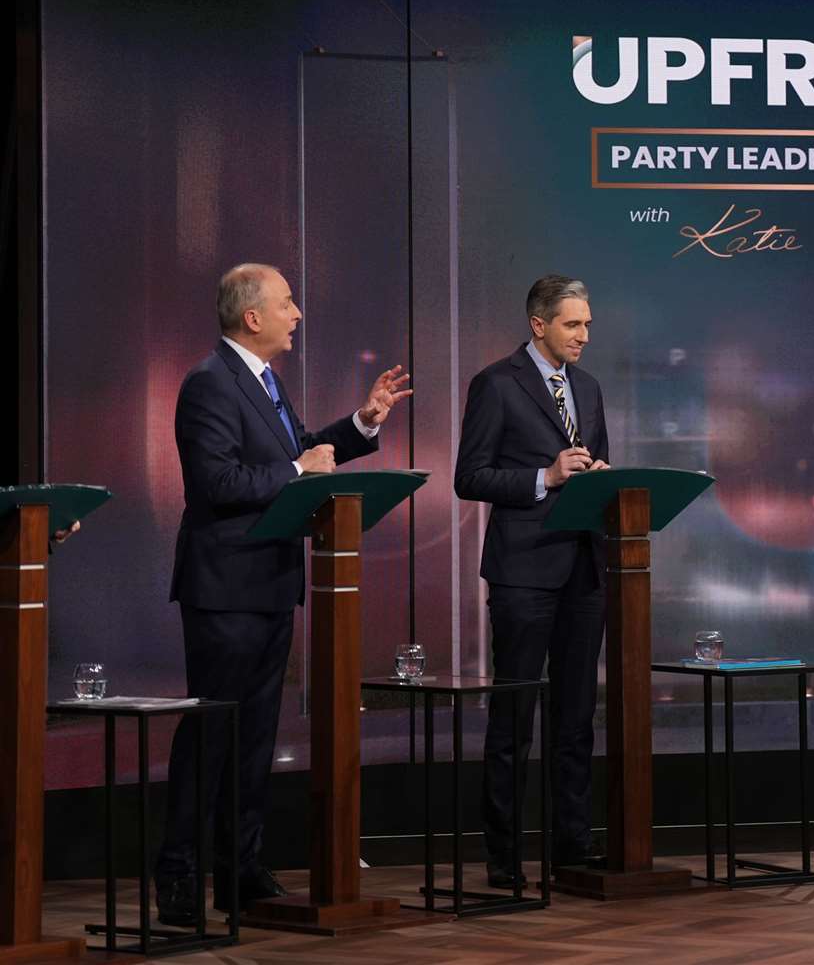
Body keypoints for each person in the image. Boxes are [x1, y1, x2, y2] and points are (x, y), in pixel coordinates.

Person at [156, 263, 411, 925]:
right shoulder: (208, 385)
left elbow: (301, 453)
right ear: (252, 317)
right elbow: (218, 483)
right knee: (213, 734)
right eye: (287, 303)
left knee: (256, 738)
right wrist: (299, 467)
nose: (297, 314)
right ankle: (179, 873)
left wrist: (360, 424)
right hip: (226, 586)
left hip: (271, 584)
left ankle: (240, 871)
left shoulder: (264, 382)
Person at [454, 274, 610, 886]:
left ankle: (571, 845)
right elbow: (471, 476)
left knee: (576, 718)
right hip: (523, 571)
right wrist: (545, 476)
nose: (583, 336)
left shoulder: (590, 389)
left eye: (588, 325)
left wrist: (598, 475)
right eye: (573, 325)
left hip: (584, 568)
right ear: (539, 325)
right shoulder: (497, 384)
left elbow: (595, 469)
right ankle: (503, 856)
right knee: (514, 716)